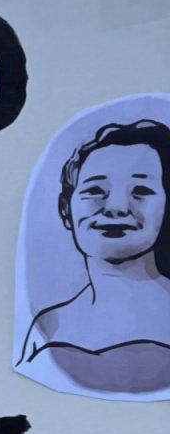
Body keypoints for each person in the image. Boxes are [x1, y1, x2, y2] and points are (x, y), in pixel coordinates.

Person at [18, 119, 170, 393]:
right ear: (66, 209)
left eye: (142, 191)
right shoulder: (48, 325)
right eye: (95, 191)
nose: (115, 208)